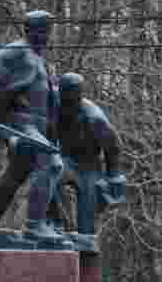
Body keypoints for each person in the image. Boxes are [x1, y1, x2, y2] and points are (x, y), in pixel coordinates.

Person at [0, 9, 71, 250]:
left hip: (37, 127)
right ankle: (34, 225)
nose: (46, 37)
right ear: (28, 31)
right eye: (40, 32)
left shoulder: (38, 58)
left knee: (15, 176)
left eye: (48, 32)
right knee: (51, 163)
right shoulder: (16, 51)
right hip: (20, 123)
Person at [46, 73, 126, 253]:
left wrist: (113, 177)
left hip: (88, 166)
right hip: (64, 159)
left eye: (71, 101)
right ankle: (53, 225)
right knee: (48, 176)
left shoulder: (94, 118)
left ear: (78, 97)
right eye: (64, 98)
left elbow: (113, 147)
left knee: (86, 229)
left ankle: (85, 243)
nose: (66, 105)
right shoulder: (52, 102)